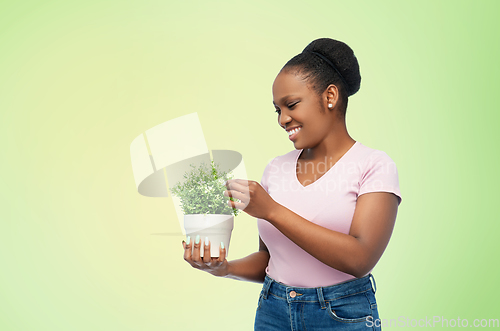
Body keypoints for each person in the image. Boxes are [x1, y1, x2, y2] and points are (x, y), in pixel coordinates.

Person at [182, 38, 402, 330]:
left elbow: (360, 258)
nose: (283, 119)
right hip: (273, 312)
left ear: (330, 96)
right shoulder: (276, 168)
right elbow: (270, 259)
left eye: (291, 105)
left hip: (341, 316)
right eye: (277, 110)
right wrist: (224, 268)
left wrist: (271, 210)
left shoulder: (374, 165)